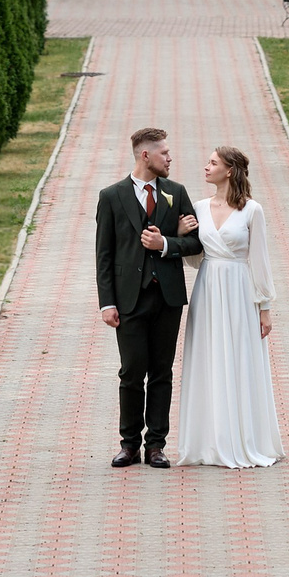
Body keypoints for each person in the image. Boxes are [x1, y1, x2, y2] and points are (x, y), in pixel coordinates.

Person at [94, 125, 202, 467]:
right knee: (131, 371)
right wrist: (107, 302)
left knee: (161, 371)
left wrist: (167, 243)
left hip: (167, 296)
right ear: (146, 155)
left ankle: (156, 444)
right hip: (128, 299)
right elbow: (104, 255)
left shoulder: (176, 192)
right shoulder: (111, 196)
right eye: (164, 153)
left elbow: (197, 243)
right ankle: (129, 444)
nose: (170, 158)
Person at [173, 146, 283, 468]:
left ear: (230, 170)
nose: (206, 166)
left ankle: (244, 438)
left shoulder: (252, 211)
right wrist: (181, 235)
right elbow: (195, 258)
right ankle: (208, 440)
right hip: (207, 288)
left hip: (238, 290)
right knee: (208, 357)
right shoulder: (199, 207)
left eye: (213, 162)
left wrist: (264, 307)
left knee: (238, 358)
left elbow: (259, 261)